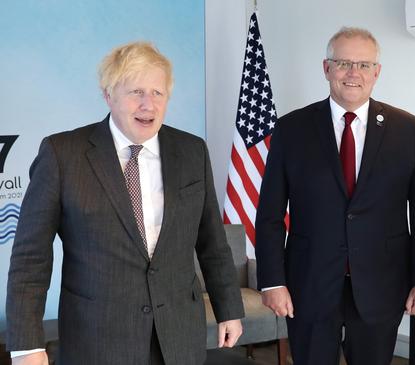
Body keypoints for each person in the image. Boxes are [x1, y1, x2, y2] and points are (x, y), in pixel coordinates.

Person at [5, 41, 244, 365]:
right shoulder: (62, 155)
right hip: (97, 340)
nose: (149, 104)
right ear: (109, 95)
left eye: (158, 93)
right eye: (136, 92)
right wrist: (27, 345)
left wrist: (228, 309)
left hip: (178, 338)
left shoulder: (192, 151)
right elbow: (30, 258)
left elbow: (212, 242)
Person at [255, 27, 415, 365]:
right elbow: (269, 213)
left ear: (377, 72)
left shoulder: (407, 129)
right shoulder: (291, 129)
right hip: (308, 284)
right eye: (343, 63)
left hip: (381, 282)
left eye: (364, 65)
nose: (353, 73)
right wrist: (271, 281)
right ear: (326, 69)